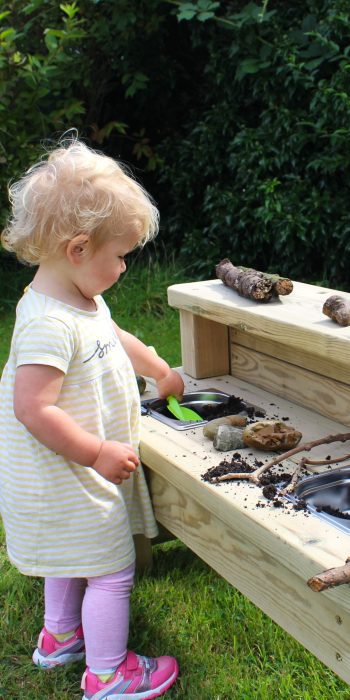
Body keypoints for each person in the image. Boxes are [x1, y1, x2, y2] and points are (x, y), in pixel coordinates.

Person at [0, 136, 182, 699]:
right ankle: (108, 673)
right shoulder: (48, 325)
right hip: (68, 473)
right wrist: (97, 453)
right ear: (78, 249)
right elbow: (33, 407)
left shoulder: (79, 300)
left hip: (68, 476)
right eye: (120, 255)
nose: (125, 266)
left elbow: (110, 334)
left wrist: (156, 367)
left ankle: (59, 637)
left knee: (69, 554)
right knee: (108, 568)